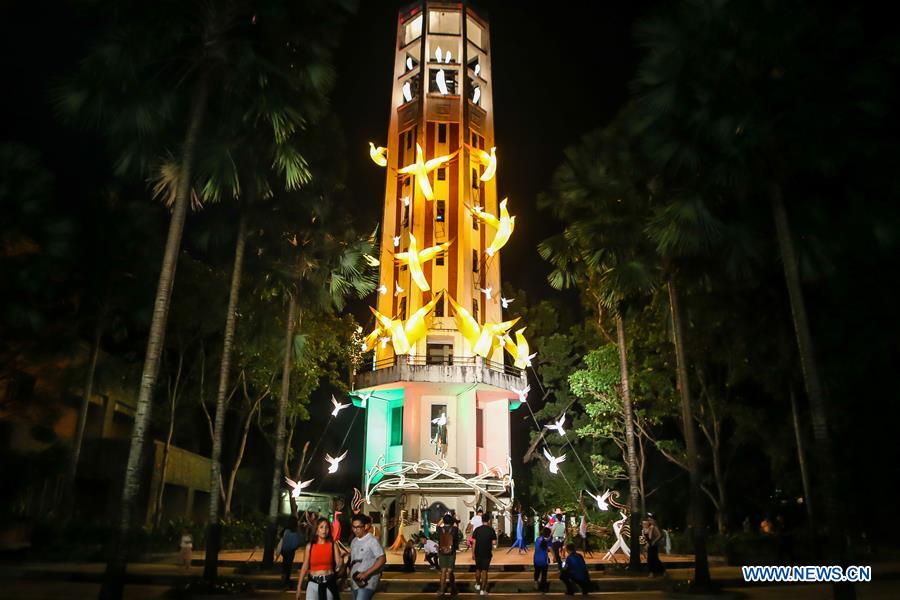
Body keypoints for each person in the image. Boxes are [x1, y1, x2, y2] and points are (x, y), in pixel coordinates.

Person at [297, 517, 343, 600]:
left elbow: (338, 563)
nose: (324, 530)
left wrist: (340, 562)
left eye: (326, 527)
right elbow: (304, 566)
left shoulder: (333, 545)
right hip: (313, 583)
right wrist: (299, 587)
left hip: (329, 583)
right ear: (316, 530)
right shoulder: (310, 546)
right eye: (321, 527)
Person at [349, 514, 386, 600]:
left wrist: (366, 573)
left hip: (368, 582)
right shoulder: (354, 541)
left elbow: (382, 559)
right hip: (355, 581)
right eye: (353, 527)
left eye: (358, 527)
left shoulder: (372, 540)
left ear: (365, 526)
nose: (355, 530)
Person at [472, 512, 497, 596]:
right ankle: (483, 590)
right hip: (487, 553)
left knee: (478, 569)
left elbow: (474, 543)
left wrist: (473, 553)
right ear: (488, 521)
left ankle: (478, 584)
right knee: (485, 571)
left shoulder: (477, 530)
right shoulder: (491, 530)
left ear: (482, 520)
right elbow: (494, 543)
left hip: (477, 552)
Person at [436, 513, 460, 596]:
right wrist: (453, 519)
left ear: (444, 521)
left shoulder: (439, 529)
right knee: (450, 571)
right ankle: (453, 589)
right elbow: (456, 525)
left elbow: (438, 525)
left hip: (442, 552)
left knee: (443, 571)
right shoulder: (454, 529)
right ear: (451, 521)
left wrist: (443, 518)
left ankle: (442, 590)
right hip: (451, 552)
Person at [280, 518, 302, 589]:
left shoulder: (286, 530)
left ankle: (284, 581)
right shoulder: (296, 530)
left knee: (285, 566)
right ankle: (286, 582)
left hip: (284, 551)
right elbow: (299, 540)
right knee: (288, 567)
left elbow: (280, 536)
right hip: (291, 551)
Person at [533, 526, 551, 592]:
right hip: (543, 560)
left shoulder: (537, 539)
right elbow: (549, 549)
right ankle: (543, 587)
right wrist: (554, 557)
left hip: (536, 559)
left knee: (537, 572)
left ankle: (536, 583)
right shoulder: (547, 541)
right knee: (544, 574)